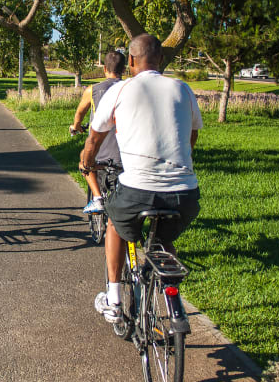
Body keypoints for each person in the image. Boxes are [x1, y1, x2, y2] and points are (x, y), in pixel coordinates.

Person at [79, 34, 202, 323]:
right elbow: (192, 135)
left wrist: (87, 162)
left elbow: (94, 139)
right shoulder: (183, 89)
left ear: (131, 60)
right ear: (161, 59)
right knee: (163, 240)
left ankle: (113, 300)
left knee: (115, 224)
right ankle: (171, 296)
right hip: (185, 194)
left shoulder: (120, 90)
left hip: (137, 190)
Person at [69, 50, 125, 214]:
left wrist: (76, 126)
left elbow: (80, 113)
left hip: (101, 147)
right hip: (127, 148)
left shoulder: (93, 90)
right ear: (124, 69)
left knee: (84, 159)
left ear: (104, 69)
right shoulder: (130, 89)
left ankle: (97, 198)